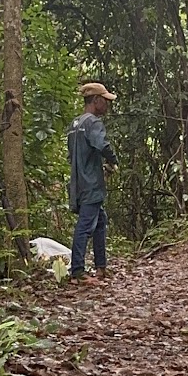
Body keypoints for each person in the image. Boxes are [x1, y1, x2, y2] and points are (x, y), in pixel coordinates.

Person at [68, 82, 117, 281]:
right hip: (91, 185)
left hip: (78, 184)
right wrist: (113, 161)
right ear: (96, 101)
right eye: (105, 101)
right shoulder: (93, 123)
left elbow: (78, 155)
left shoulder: (75, 125)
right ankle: (77, 271)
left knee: (100, 222)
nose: (107, 105)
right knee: (85, 226)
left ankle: (101, 267)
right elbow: (102, 145)